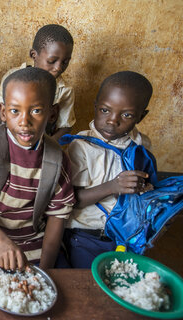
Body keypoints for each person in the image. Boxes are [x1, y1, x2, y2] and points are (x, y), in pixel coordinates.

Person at [0, 68, 75, 271]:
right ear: (3, 112)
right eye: (15, 111)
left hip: (38, 247)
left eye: (36, 111)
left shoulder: (57, 159)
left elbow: (57, 218)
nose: (24, 122)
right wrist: (3, 242)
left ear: (52, 114)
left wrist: (44, 271)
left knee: (61, 292)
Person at [62, 71, 153, 268]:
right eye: (105, 110)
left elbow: (145, 183)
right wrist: (113, 186)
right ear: (96, 106)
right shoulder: (82, 146)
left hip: (127, 237)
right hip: (86, 236)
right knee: (90, 284)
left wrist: (147, 190)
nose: (112, 121)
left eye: (127, 115)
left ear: (141, 116)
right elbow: (73, 200)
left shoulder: (141, 146)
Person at [0, 24, 75, 142]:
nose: (58, 68)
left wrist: (48, 147)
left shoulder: (64, 90)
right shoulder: (12, 78)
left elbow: (65, 126)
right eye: (52, 61)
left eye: (65, 62)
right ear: (33, 55)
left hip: (41, 144)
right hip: (10, 142)